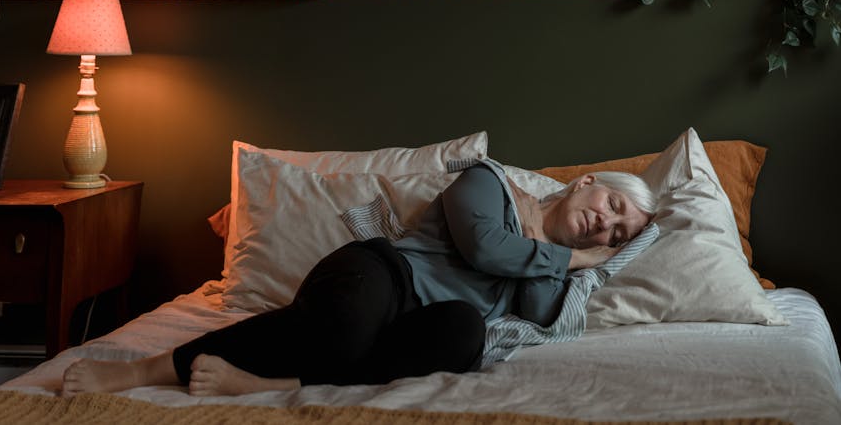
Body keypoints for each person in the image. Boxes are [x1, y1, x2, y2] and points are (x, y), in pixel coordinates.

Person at [61, 162, 658, 398]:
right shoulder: (487, 183)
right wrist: (574, 260)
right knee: (347, 330)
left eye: (616, 235)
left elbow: (533, 308)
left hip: (417, 323)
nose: (605, 226)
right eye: (610, 205)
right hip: (378, 273)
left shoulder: (552, 264)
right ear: (583, 184)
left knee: (465, 334)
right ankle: (148, 369)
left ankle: (271, 381)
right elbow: (485, 248)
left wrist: (566, 255)